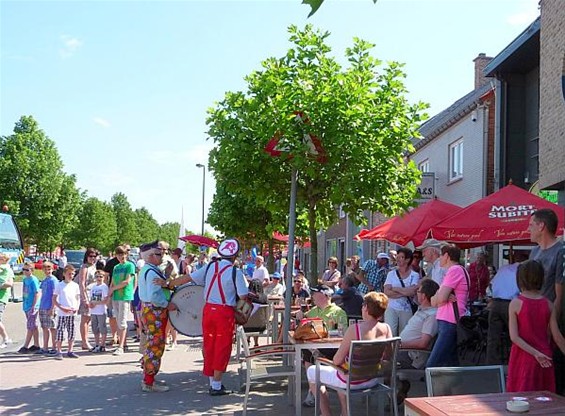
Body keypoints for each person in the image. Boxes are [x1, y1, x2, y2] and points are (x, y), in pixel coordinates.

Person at [164, 238, 248, 396]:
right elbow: (243, 296)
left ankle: (212, 382)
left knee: (209, 345)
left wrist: (168, 284)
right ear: (235, 256)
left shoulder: (210, 266)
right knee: (222, 347)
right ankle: (216, 385)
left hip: (208, 310)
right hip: (224, 312)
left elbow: (187, 279)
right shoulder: (235, 272)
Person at [306, 292, 393, 416]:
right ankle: (344, 412)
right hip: (373, 379)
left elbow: (337, 361)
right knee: (342, 370)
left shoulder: (355, 329)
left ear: (366, 308)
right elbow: (388, 356)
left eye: (363, 305)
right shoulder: (386, 328)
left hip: (351, 380)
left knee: (312, 371)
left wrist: (324, 360)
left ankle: (326, 414)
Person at [506, 260, 565, 393]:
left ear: (520, 279)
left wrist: (535, 353)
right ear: (541, 278)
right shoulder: (549, 305)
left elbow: (514, 337)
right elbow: (557, 337)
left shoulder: (515, 304)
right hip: (545, 357)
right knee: (544, 399)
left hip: (523, 357)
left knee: (521, 398)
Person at [527, 208, 565, 394]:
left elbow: (560, 295)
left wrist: (552, 325)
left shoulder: (561, 252)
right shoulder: (534, 252)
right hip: (533, 321)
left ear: (541, 226)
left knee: (554, 371)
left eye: (531, 224)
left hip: (551, 322)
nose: (528, 229)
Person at [137, 240, 178, 392]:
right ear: (150, 256)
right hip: (155, 311)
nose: (163, 256)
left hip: (148, 310)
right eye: (159, 254)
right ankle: (148, 382)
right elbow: (155, 296)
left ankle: (149, 377)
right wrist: (168, 305)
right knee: (155, 346)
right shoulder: (152, 271)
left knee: (151, 343)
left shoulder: (147, 270)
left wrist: (166, 276)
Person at [300, 284, 348, 408]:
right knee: (307, 353)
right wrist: (299, 316)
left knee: (308, 355)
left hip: (332, 349)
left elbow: (343, 334)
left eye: (315, 293)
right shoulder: (314, 310)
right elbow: (303, 323)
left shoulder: (338, 312)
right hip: (315, 347)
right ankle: (314, 389)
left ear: (324, 296)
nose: (313, 296)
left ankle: (314, 390)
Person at [427, 244, 469, 367]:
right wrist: (439, 296)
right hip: (450, 319)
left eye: (440, 255)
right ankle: (455, 386)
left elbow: (439, 299)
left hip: (449, 320)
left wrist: (439, 296)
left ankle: (434, 386)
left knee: (433, 363)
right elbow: (435, 300)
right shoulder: (461, 270)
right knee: (450, 363)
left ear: (446, 256)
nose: (439, 258)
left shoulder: (454, 270)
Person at [486, 253, 527, 365]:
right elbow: (522, 290)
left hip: (496, 303)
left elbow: (491, 285)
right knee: (514, 335)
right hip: (511, 303)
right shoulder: (521, 271)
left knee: (493, 337)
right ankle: (515, 361)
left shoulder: (503, 269)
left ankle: (491, 365)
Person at [398, 279, 440, 369]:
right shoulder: (422, 309)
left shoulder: (431, 315)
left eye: (418, 291)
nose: (416, 293)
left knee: (380, 359)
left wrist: (399, 345)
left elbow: (423, 343)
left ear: (423, 296)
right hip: (404, 350)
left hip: (410, 354)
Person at [384, 247, 420, 336]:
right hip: (391, 307)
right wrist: (405, 291)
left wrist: (395, 289)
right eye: (397, 257)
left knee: (404, 334)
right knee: (390, 332)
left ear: (407, 260)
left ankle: (402, 350)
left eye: (401, 257)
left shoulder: (414, 275)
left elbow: (412, 292)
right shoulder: (391, 274)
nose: (398, 259)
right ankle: (391, 350)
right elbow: (387, 291)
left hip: (406, 309)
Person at [110, 245, 135, 356]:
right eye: (119, 254)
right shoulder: (116, 267)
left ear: (126, 254)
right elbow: (112, 281)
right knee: (118, 319)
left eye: (123, 254)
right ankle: (123, 344)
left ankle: (121, 347)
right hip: (116, 296)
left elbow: (127, 281)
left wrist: (113, 289)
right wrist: (110, 292)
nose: (121, 256)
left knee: (122, 321)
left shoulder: (130, 265)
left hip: (124, 295)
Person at [52, 264, 80, 359]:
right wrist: (61, 307)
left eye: (72, 274)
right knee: (60, 331)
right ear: (64, 274)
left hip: (72, 312)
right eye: (69, 274)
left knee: (72, 331)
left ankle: (70, 350)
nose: (71, 276)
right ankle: (59, 350)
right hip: (62, 312)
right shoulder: (60, 285)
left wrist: (76, 307)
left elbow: (77, 298)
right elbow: (54, 299)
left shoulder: (75, 285)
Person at [76, 248, 98, 350]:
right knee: (85, 319)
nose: (92, 258)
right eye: (90, 256)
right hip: (86, 295)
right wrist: (84, 299)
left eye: (94, 256)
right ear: (86, 257)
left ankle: (86, 341)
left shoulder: (94, 267)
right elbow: (82, 283)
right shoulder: (84, 267)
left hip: (94, 295)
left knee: (89, 319)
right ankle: (84, 342)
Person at [18, 262, 41, 353]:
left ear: (32, 270)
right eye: (23, 269)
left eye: (27, 270)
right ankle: (36, 344)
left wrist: (34, 305)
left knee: (30, 326)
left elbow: (37, 293)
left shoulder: (33, 280)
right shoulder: (25, 279)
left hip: (32, 306)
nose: (25, 271)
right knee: (33, 325)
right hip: (26, 305)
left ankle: (25, 346)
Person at [37, 261, 58, 355]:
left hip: (50, 306)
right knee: (45, 327)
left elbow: (55, 295)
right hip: (43, 306)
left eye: (49, 269)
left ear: (52, 269)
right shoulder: (45, 280)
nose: (47, 271)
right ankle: (45, 347)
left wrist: (53, 308)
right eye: (45, 269)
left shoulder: (53, 280)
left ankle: (55, 347)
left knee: (53, 328)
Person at [88, 270, 109, 353]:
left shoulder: (104, 287)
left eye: (101, 276)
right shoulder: (93, 287)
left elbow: (105, 300)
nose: (99, 278)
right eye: (97, 276)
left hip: (101, 311)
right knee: (95, 328)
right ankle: (97, 344)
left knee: (102, 328)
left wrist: (96, 303)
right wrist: (90, 304)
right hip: (93, 311)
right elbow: (91, 298)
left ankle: (102, 345)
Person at [0, 252, 14, 348]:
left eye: (0, 258)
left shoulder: (8, 270)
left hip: (2, 298)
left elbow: (10, 284)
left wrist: (0, 286)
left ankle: (6, 338)